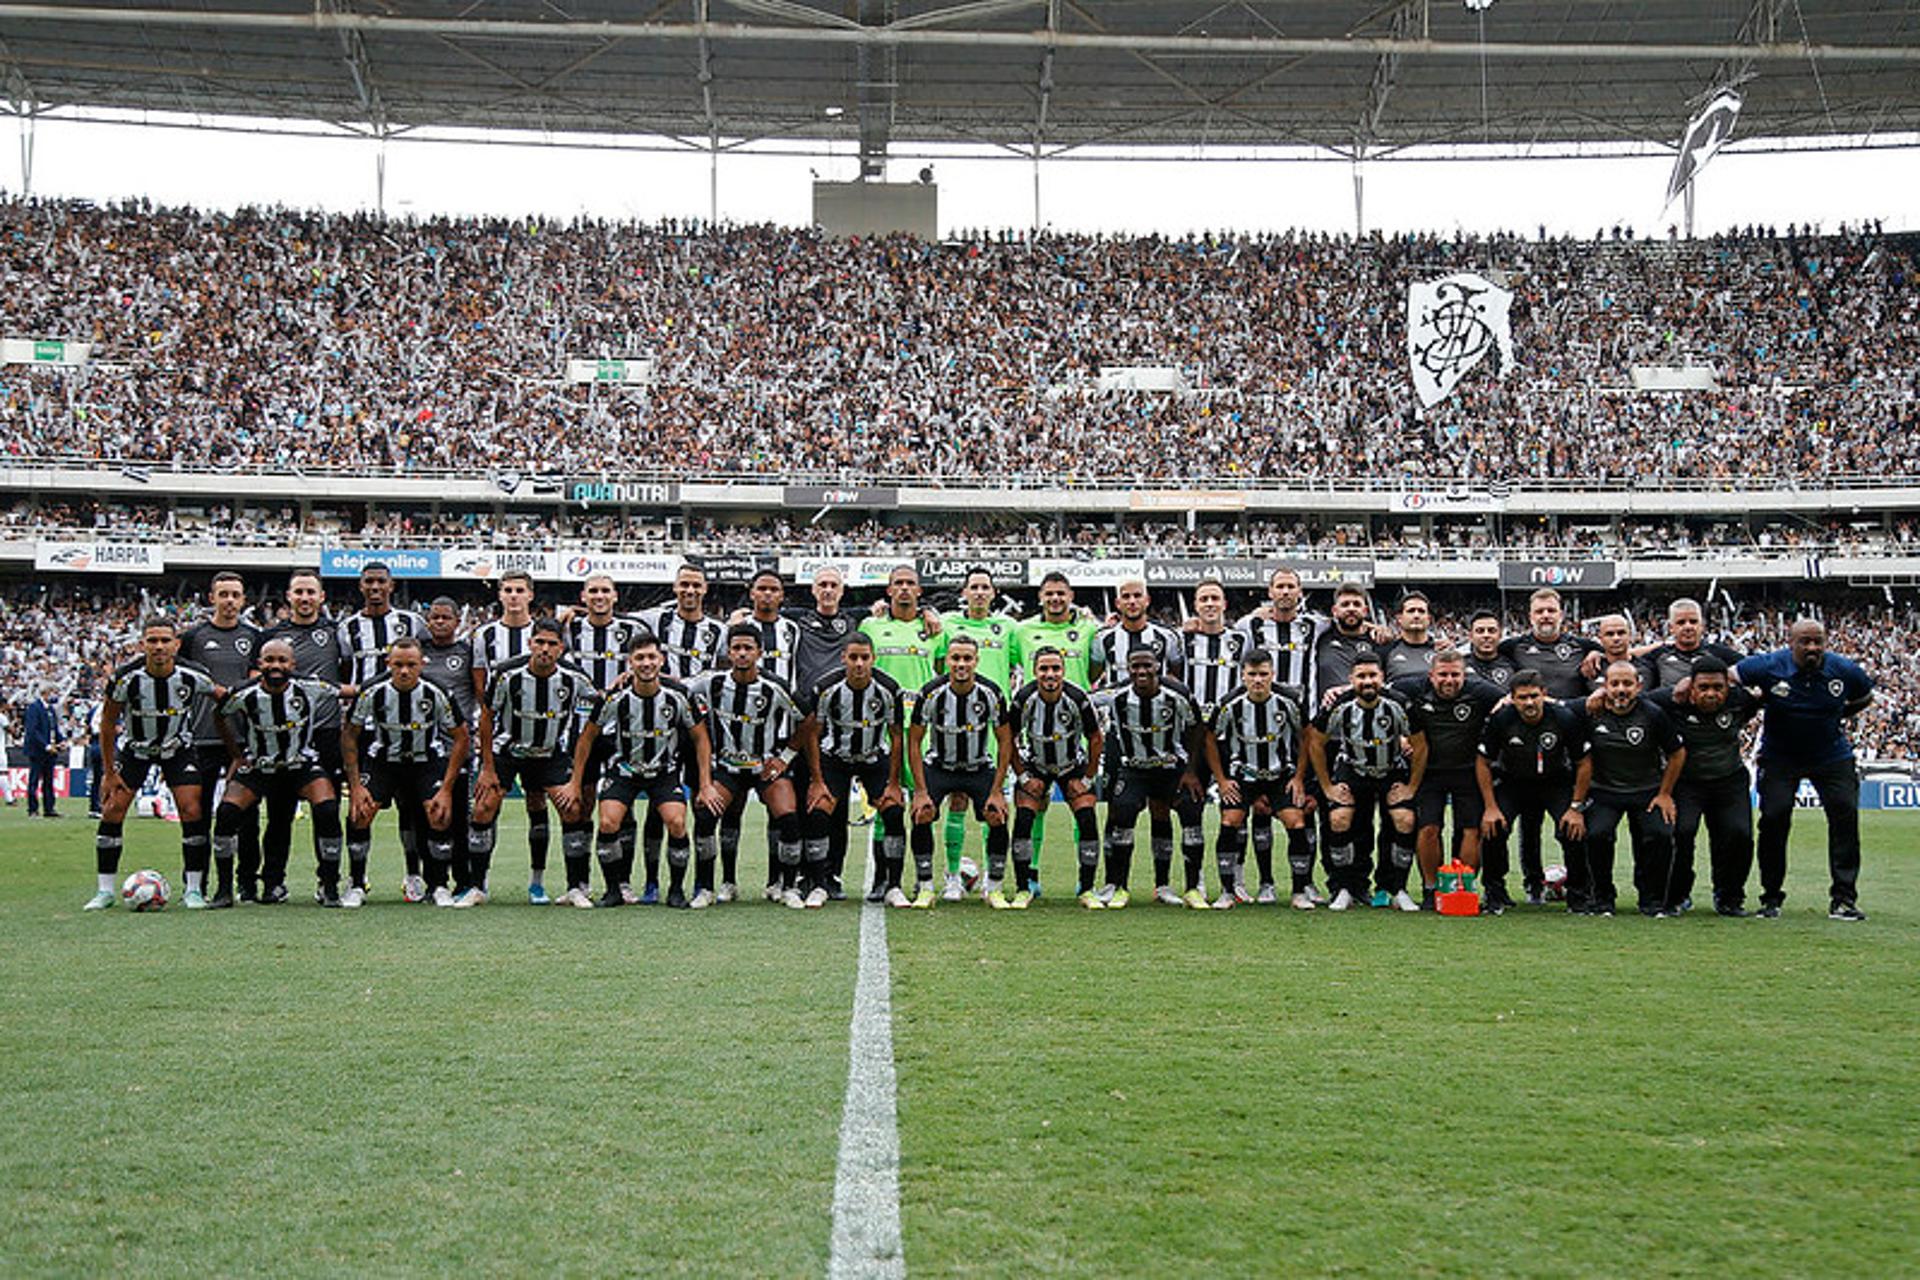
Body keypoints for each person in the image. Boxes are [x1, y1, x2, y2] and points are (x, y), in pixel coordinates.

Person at [1734, 618, 1874, 921]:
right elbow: (1731, 676)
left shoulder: (1844, 670)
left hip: (1831, 756)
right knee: (1773, 819)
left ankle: (1844, 899)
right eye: (1805, 641)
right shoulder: (1768, 666)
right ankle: (1771, 898)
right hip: (1780, 757)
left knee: (1845, 817)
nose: (1812, 647)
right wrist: (1751, 703)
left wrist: (1839, 713)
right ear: (1791, 642)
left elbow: (1865, 695)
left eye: (1818, 641)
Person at [558, 634, 708, 909]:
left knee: (676, 822)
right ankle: (614, 890)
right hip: (623, 771)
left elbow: (700, 738)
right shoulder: (615, 698)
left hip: (664, 772)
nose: (647, 663)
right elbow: (586, 739)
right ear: (630, 663)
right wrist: (574, 782)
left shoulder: (678, 696)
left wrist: (706, 784)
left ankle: (675, 890)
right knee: (607, 823)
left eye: (652, 657)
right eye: (640, 658)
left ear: (661, 660)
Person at [85, 617, 217, 910]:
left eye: (165, 640)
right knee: (112, 809)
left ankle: (193, 890)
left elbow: (223, 699)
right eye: (152, 640)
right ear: (142, 644)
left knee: (191, 809)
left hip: (177, 748)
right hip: (136, 749)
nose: (159, 646)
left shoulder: (193, 675)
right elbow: (107, 723)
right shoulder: (125, 677)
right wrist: (108, 772)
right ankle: (104, 891)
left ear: (176, 644)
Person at [473, 619, 597, 906]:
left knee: (572, 809)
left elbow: (594, 717)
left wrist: (576, 779)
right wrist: (487, 767)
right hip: (508, 752)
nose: (545, 649)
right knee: (483, 808)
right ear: (530, 643)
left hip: (550, 753)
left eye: (552, 644)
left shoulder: (574, 678)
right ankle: (477, 886)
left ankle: (571, 887)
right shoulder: (506, 674)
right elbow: (487, 716)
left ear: (561, 648)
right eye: (539, 642)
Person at [212, 638, 344, 908]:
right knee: (227, 813)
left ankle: (329, 886)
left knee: (328, 809)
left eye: (282, 661)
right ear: (260, 664)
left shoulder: (309, 687)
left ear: (292, 664)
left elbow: (350, 691)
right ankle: (225, 889)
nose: (276, 666)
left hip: (300, 765)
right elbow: (220, 713)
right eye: (270, 660)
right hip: (261, 766)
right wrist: (237, 755)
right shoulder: (243, 694)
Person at [340, 637, 469, 909]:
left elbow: (461, 737)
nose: (404, 671)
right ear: (388, 663)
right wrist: (355, 786)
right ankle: (356, 883)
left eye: (411, 664)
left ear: (422, 664)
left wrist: (446, 789)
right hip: (384, 761)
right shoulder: (372, 691)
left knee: (439, 814)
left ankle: (438, 885)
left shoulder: (437, 692)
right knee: (360, 813)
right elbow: (350, 735)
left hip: (426, 761)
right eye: (398, 664)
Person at [686, 624, 805, 907]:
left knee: (788, 816)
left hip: (764, 766)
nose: (742, 654)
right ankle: (712, 886)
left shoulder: (774, 687)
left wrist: (785, 757)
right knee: (705, 814)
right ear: (728, 652)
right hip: (727, 768)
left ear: (759, 653)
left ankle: (785, 886)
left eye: (748, 648)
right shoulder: (710, 683)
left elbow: (809, 720)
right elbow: (676, 687)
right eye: (736, 648)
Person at [336, 562, 429, 898]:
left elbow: (424, 662)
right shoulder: (346, 628)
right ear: (361, 586)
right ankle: (357, 880)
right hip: (365, 728)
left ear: (391, 586)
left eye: (381, 582)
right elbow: (344, 670)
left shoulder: (411, 622)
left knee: (411, 805)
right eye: (369, 582)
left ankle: (413, 876)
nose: (375, 587)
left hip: (406, 726)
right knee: (361, 806)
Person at [1644, 657, 1763, 916]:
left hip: (1729, 780)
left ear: (1727, 687)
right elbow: (1637, 701)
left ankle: (1729, 897)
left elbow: (1764, 688)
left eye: (1718, 688)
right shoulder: (1669, 700)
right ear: (1691, 688)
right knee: (1682, 834)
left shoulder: (1741, 700)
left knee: (1739, 835)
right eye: (1704, 688)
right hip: (1686, 783)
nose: (1711, 694)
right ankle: (1677, 896)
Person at [796, 634, 908, 908]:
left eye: (865, 657)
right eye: (854, 657)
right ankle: (821, 883)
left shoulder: (889, 689)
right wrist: (817, 780)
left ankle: (892, 884)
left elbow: (896, 736)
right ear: (843, 657)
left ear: (873, 659)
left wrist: (894, 782)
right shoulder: (826, 688)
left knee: (893, 810)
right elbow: (813, 734)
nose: (859, 664)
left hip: (873, 758)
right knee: (820, 809)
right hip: (835, 758)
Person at [1569, 661, 1686, 917]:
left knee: (1660, 835)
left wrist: (1665, 794)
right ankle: (1602, 899)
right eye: (1615, 684)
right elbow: (1552, 707)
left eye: (1627, 684)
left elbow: (1677, 753)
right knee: (1597, 835)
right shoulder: (1589, 710)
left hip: (1647, 790)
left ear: (1639, 686)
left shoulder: (1653, 714)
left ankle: (1652, 900)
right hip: (1604, 791)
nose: (1621, 689)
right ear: (1604, 686)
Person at [562, 575, 654, 900]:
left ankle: (623, 882)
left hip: (620, 731)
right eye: (593, 591)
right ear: (583, 596)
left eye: (605, 591)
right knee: (581, 806)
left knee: (622, 806)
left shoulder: (631, 630)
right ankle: (579, 884)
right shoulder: (569, 628)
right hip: (582, 727)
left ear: (615, 596)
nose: (599, 596)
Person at [1097, 650, 1210, 911]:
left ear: (1158, 666)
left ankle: (1188, 888)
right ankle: (1120, 887)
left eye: (1147, 665)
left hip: (1171, 767)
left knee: (1190, 815)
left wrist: (1191, 771)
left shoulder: (1177, 694)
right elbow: (1083, 700)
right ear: (1127, 668)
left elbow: (1196, 728)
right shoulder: (1117, 695)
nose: (1141, 671)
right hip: (1134, 768)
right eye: (1135, 666)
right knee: (1122, 814)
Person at [1009, 570, 1100, 893]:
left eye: (1061, 593)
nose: (1055, 598)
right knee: (1032, 809)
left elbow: (1097, 668)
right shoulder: (1021, 630)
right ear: (1040, 597)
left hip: (1074, 739)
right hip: (1035, 738)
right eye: (1049, 593)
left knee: (1083, 805)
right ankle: (1029, 879)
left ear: (1071, 596)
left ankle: (1084, 884)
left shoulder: (1090, 628)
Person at [907, 634, 1013, 909]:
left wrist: (998, 790)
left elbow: (1005, 741)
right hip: (940, 766)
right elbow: (914, 740)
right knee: (921, 814)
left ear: (976, 661)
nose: (961, 664)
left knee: (997, 816)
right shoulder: (930, 693)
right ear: (947, 662)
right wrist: (919, 791)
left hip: (979, 767)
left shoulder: (991, 693)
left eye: (967, 658)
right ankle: (928, 886)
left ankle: (994, 887)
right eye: (955, 658)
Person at [178, 571, 263, 906]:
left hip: (243, 741)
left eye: (235, 595)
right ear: (211, 598)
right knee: (196, 814)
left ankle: (247, 885)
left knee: (247, 815)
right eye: (223, 594)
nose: (229, 601)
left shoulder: (254, 637)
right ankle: (195, 884)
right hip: (201, 738)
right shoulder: (194, 637)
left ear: (243, 600)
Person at [1307, 652, 1416, 912]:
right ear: (1351, 679)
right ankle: (1345, 887)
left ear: (1383, 678)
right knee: (1339, 819)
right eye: (1362, 676)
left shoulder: (1398, 703)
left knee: (1405, 820)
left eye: (1373, 676)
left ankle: (1395, 888)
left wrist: (1411, 786)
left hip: (1390, 768)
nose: (1368, 681)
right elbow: (1315, 742)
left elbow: (1420, 746)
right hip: (1353, 768)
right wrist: (1327, 787)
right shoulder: (1339, 704)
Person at [931, 567, 1020, 882]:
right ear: (964, 592)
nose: (980, 592)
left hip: (996, 729)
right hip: (954, 726)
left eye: (985, 587)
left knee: (993, 807)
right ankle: (952, 875)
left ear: (994, 593)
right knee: (957, 800)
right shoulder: (946, 624)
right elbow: (937, 661)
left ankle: (989, 880)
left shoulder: (1008, 627)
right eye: (974, 587)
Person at [1476, 669, 1587, 914]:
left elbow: (1584, 762)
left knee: (1573, 830)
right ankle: (1495, 894)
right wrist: (1490, 807)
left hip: (1555, 782)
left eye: (1534, 696)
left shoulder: (1563, 717)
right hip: (1513, 783)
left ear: (1544, 695)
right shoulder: (1502, 719)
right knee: (1493, 829)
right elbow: (1482, 762)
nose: (1529, 703)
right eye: (1523, 697)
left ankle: (1579, 896)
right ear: (1512, 698)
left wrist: (1576, 807)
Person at [859, 565, 939, 900]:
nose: (904, 588)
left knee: (922, 806)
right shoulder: (871, 626)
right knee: (886, 805)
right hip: (883, 730)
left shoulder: (936, 630)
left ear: (919, 592)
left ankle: (924, 880)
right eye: (898, 584)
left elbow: (945, 673)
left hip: (922, 730)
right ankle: (884, 879)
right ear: (888, 590)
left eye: (910, 584)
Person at [1209, 649, 1312, 909]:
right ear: (1242, 675)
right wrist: (1221, 780)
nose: (1258, 680)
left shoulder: (1289, 700)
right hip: (1243, 776)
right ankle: (1227, 891)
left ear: (1272, 674)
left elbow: (1307, 737)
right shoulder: (1229, 703)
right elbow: (1209, 738)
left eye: (1263, 674)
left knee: (1296, 821)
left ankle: (1299, 892)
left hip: (1280, 775)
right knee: (1230, 821)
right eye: (1252, 674)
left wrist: (1299, 777)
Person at [1400, 648, 1503, 909]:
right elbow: (1378, 691)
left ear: (1464, 675)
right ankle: (1431, 889)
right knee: (1429, 829)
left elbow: (1513, 699)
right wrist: (1401, 737)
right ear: (1431, 676)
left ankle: (1462, 888)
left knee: (1471, 830)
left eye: (1455, 675)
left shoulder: (1481, 691)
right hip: (1428, 772)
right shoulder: (1412, 688)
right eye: (1443, 675)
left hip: (1468, 771)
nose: (1449, 680)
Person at [1005, 646, 1101, 911]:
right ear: (1034, 671)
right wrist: (1023, 776)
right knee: (1023, 820)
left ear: (1064, 671)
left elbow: (1095, 738)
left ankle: (1086, 888)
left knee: (1087, 820)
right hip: (1036, 764)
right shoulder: (1023, 698)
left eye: (1055, 668)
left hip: (1072, 765)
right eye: (1044, 668)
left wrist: (1088, 778)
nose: (1050, 674)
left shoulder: (1078, 698)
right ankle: (1025, 886)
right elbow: (1009, 737)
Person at [1637, 598, 1743, 691]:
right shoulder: (1658, 655)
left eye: (1693, 622)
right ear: (1671, 628)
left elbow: (1751, 667)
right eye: (1681, 622)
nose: (1688, 627)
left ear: (1702, 625)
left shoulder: (1718, 653)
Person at [1382, 592, 1439, 684]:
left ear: (1429, 618)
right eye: (1411, 611)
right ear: (1399, 618)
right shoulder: (1386, 652)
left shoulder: (1442, 650)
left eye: (1421, 611)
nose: (1416, 615)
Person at [24, 683, 61, 820]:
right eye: (52, 692)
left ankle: (49, 808)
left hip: (50, 751)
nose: (54, 695)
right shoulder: (34, 708)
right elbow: (33, 731)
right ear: (45, 693)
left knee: (48, 781)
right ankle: (32, 809)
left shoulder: (50, 709)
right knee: (34, 780)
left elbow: (54, 729)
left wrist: (60, 740)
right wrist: (46, 745)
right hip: (37, 751)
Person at [1464, 609, 1516, 690]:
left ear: (1500, 635)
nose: (1486, 635)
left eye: (1491, 631)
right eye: (1480, 631)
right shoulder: (1460, 666)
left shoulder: (1513, 666)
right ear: (1470, 636)